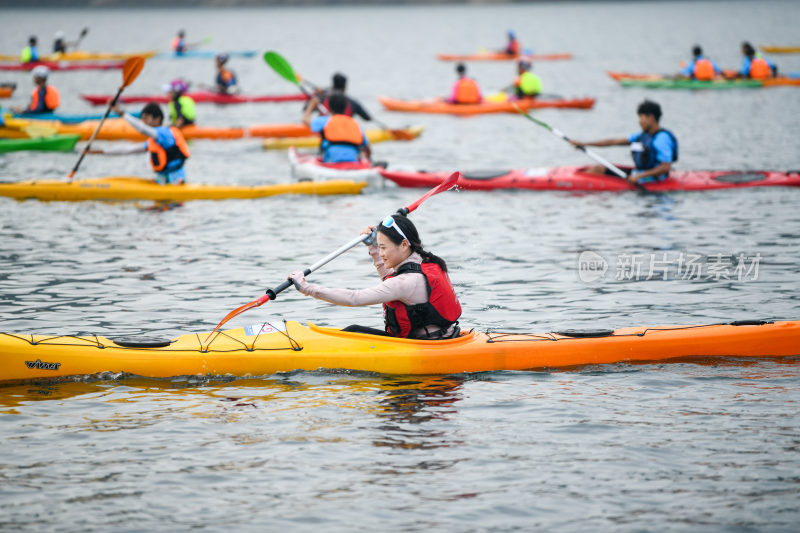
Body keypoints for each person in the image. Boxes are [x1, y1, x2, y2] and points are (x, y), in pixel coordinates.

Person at [287, 213, 462, 339]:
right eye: (379, 246)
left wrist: (306, 288)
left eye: (383, 247)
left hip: (423, 347)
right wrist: (372, 248)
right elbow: (389, 279)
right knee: (354, 330)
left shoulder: (407, 281)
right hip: (441, 337)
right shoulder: (425, 261)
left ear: (403, 245)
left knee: (352, 332)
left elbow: (355, 298)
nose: (381, 252)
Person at [569, 100, 678, 184]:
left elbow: (665, 167)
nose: (639, 122)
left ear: (651, 117)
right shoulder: (643, 135)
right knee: (599, 169)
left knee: (598, 170)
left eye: (641, 117)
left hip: (654, 178)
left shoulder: (662, 139)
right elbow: (613, 142)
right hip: (640, 173)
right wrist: (584, 144)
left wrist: (639, 177)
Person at [91, 102, 191, 185]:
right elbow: (128, 150)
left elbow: (142, 129)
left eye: (146, 118)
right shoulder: (153, 140)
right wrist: (101, 151)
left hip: (176, 181)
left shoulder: (164, 133)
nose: (143, 122)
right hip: (161, 181)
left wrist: (122, 113)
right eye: (142, 119)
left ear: (158, 119)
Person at [303, 93, 371, 163]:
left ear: (329, 106)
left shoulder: (325, 121)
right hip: (353, 162)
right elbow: (367, 149)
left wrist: (311, 105)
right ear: (346, 107)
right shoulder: (356, 124)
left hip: (331, 162)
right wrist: (367, 159)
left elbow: (305, 120)